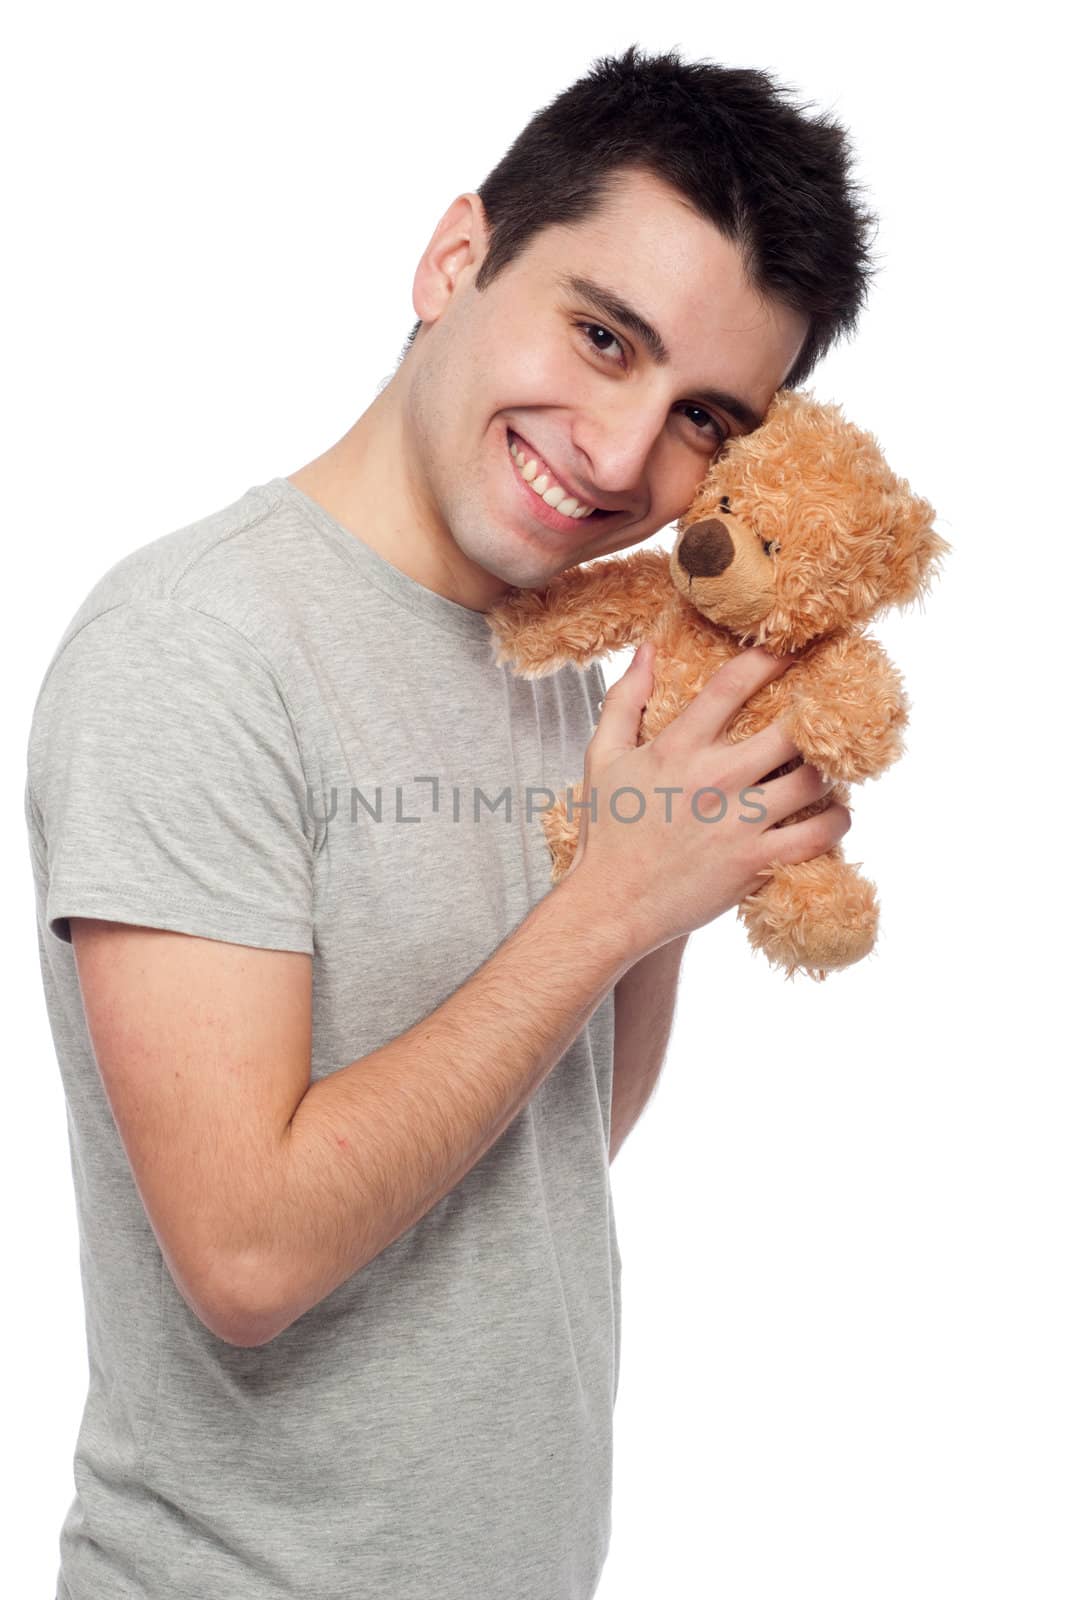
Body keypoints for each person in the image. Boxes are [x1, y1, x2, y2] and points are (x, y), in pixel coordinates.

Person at [24, 44, 873, 1600]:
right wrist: (611, 901)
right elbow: (250, 1258)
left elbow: (555, 1139)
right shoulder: (190, 649)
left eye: (701, 416)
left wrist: (676, 852)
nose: (620, 457)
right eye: (602, 336)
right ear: (455, 257)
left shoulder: (548, 654)